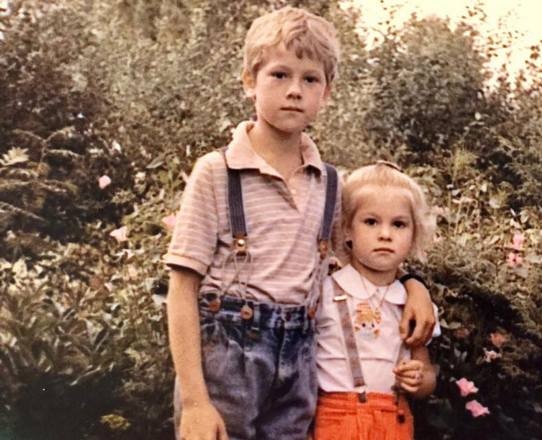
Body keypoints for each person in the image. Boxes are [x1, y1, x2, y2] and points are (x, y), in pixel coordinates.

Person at [164, 7, 436, 440]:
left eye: (310, 79)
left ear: (326, 92)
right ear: (249, 81)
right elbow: (182, 289)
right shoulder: (217, 172)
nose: (295, 90)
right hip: (227, 365)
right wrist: (196, 401)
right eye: (279, 75)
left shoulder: (329, 183)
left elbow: (363, 259)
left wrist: (414, 286)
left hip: (298, 365)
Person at [314, 162, 438, 440]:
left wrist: (418, 380)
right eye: (371, 222)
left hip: (394, 420)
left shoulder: (414, 304)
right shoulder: (325, 292)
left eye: (399, 224)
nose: (385, 234)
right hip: (334, 418)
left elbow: (428, 375)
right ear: (347, 229)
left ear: (414, 234)